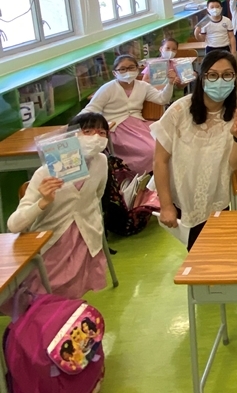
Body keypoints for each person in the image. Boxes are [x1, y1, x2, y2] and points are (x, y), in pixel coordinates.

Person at [6, 113, 110, 313]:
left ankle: (65, 314)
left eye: (101, 132)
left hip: (86, 241)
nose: (95, 137)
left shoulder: (101, 162)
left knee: (72, 294)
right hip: (52, 244)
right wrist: (43, 202)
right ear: (70, 137)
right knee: (41, 299)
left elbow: (97, 195)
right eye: (87, 131)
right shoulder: (44, 173)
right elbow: (14, 225)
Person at [151, 50, 237, 251]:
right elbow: (160, 161)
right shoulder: (179, 110)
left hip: (218, 196)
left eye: (227, 75)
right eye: (212, 75)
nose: (219, 81)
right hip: (183, 197)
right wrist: (166, 205)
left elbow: (236, 164)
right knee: (197, 256)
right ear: (202, 77)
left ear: (235, 79)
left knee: (217, 255)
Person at [81, 54, 174, 175]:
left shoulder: (143, 86)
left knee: (165, 143)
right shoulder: (107, 88)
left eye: (131, 67)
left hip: (139, 124)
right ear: (115, 73)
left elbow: (162, 99)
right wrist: (73, 127)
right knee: (150, 150)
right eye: (122, 69)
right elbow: (91, 109)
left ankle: (159, 176)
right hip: (117, 128)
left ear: (137, 68)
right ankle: (141, 176)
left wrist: (170, 84)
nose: (127, 72)